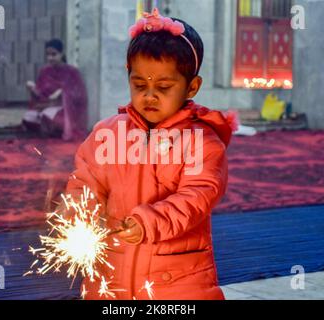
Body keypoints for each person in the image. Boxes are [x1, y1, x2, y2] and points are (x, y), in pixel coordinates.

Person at [63, 8, 238, 300]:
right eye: (139, 85)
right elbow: (84, 182)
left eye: (164, 87)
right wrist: (77, 216)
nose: (149, 95)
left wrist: (149, 222)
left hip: (178, 280)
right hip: (111, 274)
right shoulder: (108, 134)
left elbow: (196, 197)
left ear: (191, 86)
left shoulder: (201, 142)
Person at [24, 39, 88, 141]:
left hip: (65, 111)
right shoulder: (45, 71)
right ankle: (50, 129)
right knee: (28, 117)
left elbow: (81, 96)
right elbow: (40, 96)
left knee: (47, 116)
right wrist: (32, 89)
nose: (50, 58)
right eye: (48, 55)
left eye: (54, 54)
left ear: (62, 54)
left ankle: (54, 129)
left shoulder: (72, 72)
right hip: (46, 107)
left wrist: (63, 92)